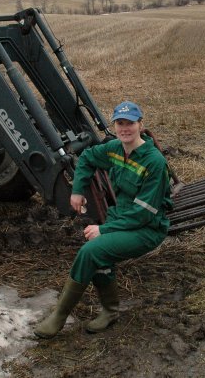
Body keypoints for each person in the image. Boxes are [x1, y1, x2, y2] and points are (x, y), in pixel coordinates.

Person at [34, 100, 173, 338]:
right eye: (120, 123)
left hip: (147, 229)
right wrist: (77, 190)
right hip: (121, 220)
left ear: (141, 124)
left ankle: (59, 315)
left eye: (130, 123)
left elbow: (143, 213)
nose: (124, 128)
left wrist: (104, 230)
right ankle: (110, 311)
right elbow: (87, 158)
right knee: (99, 254)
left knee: (92, 251)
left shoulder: (154, 162)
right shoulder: (115, 149)